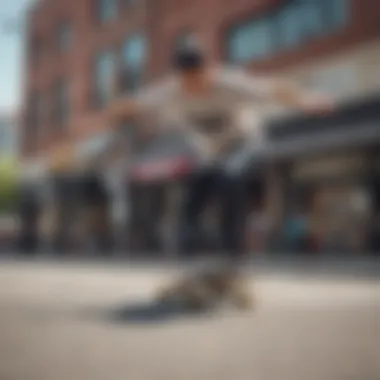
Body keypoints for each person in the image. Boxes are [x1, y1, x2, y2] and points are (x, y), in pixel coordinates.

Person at [134, 37, 334, 287]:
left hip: (245, 144)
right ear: (180, 77)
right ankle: (190, 259)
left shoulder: (229, 82)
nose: (195, 85)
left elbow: (273, 89)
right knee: (191, 198)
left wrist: (306, 100)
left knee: (230, 178)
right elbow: (133, 104)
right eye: (189, 80)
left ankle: (235, 255)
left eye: (200, 77)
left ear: (208, 69)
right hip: (212, 154)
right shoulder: (170, 91)